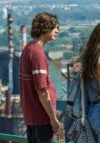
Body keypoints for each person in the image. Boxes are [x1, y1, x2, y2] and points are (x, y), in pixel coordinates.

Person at [20, 12, 60, 143]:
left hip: (32, 118)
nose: (57, 31)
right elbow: (42, 90)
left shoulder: (28, 49)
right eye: (55, 27)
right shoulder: (37, 53)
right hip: (42, 119)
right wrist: (53, 117)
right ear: (46, 28)